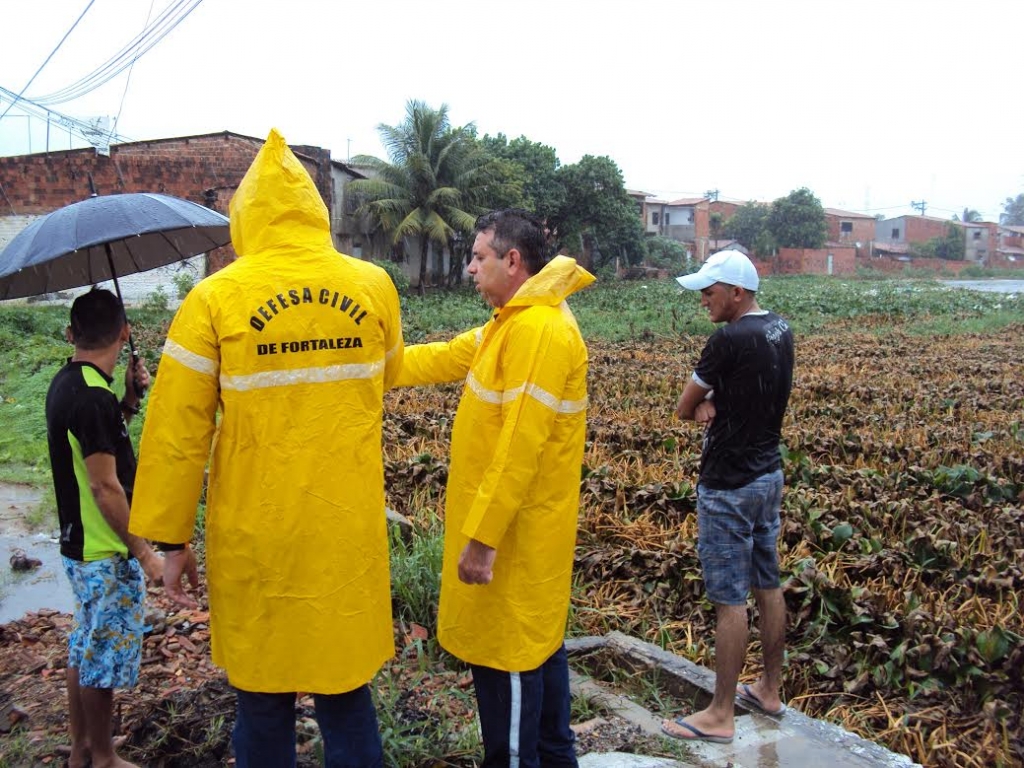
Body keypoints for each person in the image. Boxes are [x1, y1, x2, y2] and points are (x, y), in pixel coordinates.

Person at [128, 129, 404, 768]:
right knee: (346, 694)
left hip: (256, 536)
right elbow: (386, 375)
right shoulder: (374, 286)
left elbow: (177, 432)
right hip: (344, 530)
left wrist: (170, 542)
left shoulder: (214, 298)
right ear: (317, 210)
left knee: (261, 696)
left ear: (245, 218)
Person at [395, 209, 594, 767]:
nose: (468, 269)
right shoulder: (515, 322)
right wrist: (375, 365)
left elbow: (518, 449)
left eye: (478, 257)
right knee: (543, 678)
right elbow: (446, 355)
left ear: (513, 261)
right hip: (523, 548)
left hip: (513, 549)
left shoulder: (538, 330)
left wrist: (482, 539)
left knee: (508, 708)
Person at [661, 250, 794, 744]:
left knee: (728, 599)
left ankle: (719, 714)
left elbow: (682, 406)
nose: (703, 299)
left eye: (710, 291)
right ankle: (769, 689)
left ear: (736, 292)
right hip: (768, 475)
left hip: (729, 484)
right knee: (768, 582)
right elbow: (758, 393)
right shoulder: (779, 328)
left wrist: (704, 406)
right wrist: (717, 403)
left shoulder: (727, 339)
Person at [45, 287, 164, 768]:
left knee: (84, 643)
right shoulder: (93, 397)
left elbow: (98, 442)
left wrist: (129, 401)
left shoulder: (68, 383)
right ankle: (104, 757)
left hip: (79, 544)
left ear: (71, 334)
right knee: (101, 656)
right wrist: (144, 552)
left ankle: (81, 751)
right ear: (125, 332)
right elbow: (105, 488)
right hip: (104, 549)